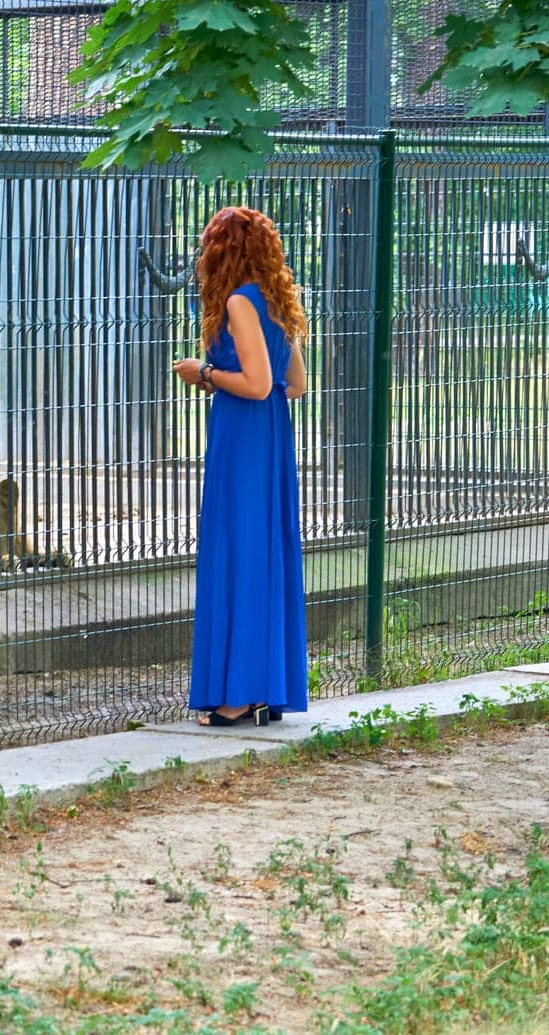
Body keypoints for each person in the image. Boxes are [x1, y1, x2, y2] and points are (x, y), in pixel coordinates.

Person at [171, 206, 310, 727]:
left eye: (210, 244)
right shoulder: (273, 301)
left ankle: (240, 694)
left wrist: (204, 372)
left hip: (245, 434)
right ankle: (262, 688)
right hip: (269, 434)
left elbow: (254, 384)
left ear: (223, 250)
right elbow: (293, 384)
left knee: (241, 553)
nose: (204, 254)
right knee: (262, 551)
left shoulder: (238, 303)